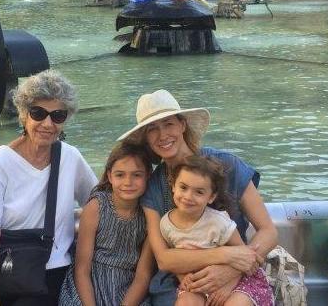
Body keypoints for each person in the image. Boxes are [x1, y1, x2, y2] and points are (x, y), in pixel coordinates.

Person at [118, 90, 277, 305]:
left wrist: (230, 271)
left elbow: (268, 230)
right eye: (152, 129)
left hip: (238, 274)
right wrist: (226, 257)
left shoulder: (228, 165)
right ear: (146, 138)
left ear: (182, 125)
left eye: (168, 124)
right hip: (181, 282)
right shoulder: (153, 186)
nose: (162, 135)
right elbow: (164, 259)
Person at [0, 70, 98, 306]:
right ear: (24, 115)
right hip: (3, 270)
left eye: (57, 116)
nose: (47, 123)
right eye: (38, 113)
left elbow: (99, 201)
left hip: (50, 273)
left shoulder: (70, 158)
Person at [161, 155, 273, 305]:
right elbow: (175, 259)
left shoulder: (218, 222)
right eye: (183, 187)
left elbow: (244, 256)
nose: (188, 196)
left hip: (235, 279)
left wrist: (228, 285)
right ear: (173, 186)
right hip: (199, 282)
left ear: (211, 197)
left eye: (199, 192)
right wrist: (182, 276)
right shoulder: (166, 224)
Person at [59, 141, 154, 305]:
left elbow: (143, 276)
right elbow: (82, 270)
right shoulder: (96, 207)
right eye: (120, 175)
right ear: (110, 176)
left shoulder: (149, 214)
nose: (128, 182)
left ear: (148, 176)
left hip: (129, 287)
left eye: (137, 175)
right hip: (90, 284)